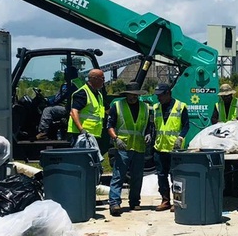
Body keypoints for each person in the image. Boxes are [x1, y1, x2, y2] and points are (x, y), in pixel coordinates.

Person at [105, 87, 151, 216]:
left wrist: (148, 134)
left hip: (139, 146)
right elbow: (110, 125)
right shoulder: (118, 106)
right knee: (119, 175)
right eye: (130, 95)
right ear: (126, 95)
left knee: (137, 177)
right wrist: (115, 138)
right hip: (123, 147)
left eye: (135, 95)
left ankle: (135, 201)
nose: (133, 97)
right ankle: (114, 203)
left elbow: (147, 125)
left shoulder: (145, 107)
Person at [150, 83, 189, 211]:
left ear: (168, 94)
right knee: (161, 176)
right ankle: (165, 201)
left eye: (161, 95)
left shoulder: (180, 106)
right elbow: (153, 126)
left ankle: (177, 202)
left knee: (176, 176)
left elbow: (186, 126)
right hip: (160, 147)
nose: (158, 98)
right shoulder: (156, 108)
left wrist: (181, 137)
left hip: (175, 148)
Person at [212, 82, 238, 198]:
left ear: (231, 95)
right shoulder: (218, 105)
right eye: (223, 96)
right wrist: (218, 122)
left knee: (237, 164)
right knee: (226, 165)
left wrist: (236, 120)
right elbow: (213, 118)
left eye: (227, 96)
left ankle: (237, 189)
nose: (226, 98)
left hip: (236, 136)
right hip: (223, 137)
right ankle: (227, 189)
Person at [36, 66, 80, 139]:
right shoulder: (78, 82)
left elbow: (57, 99)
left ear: (68, 75)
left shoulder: (69, 85)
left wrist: (47, 100)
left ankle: (43, 132)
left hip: (69, 108)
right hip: (76, 107)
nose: (64, 76)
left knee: (48, 110)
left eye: (65, 74)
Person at [67, 68, 106, 145]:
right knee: (80, 156)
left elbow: (106, 110)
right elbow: (73, 112)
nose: (104, 81)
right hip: (80, 135)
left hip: (93, 135)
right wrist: (82, 130)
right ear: (94, 79)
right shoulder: (82, 93)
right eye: (102, 78)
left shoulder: (99, 95)